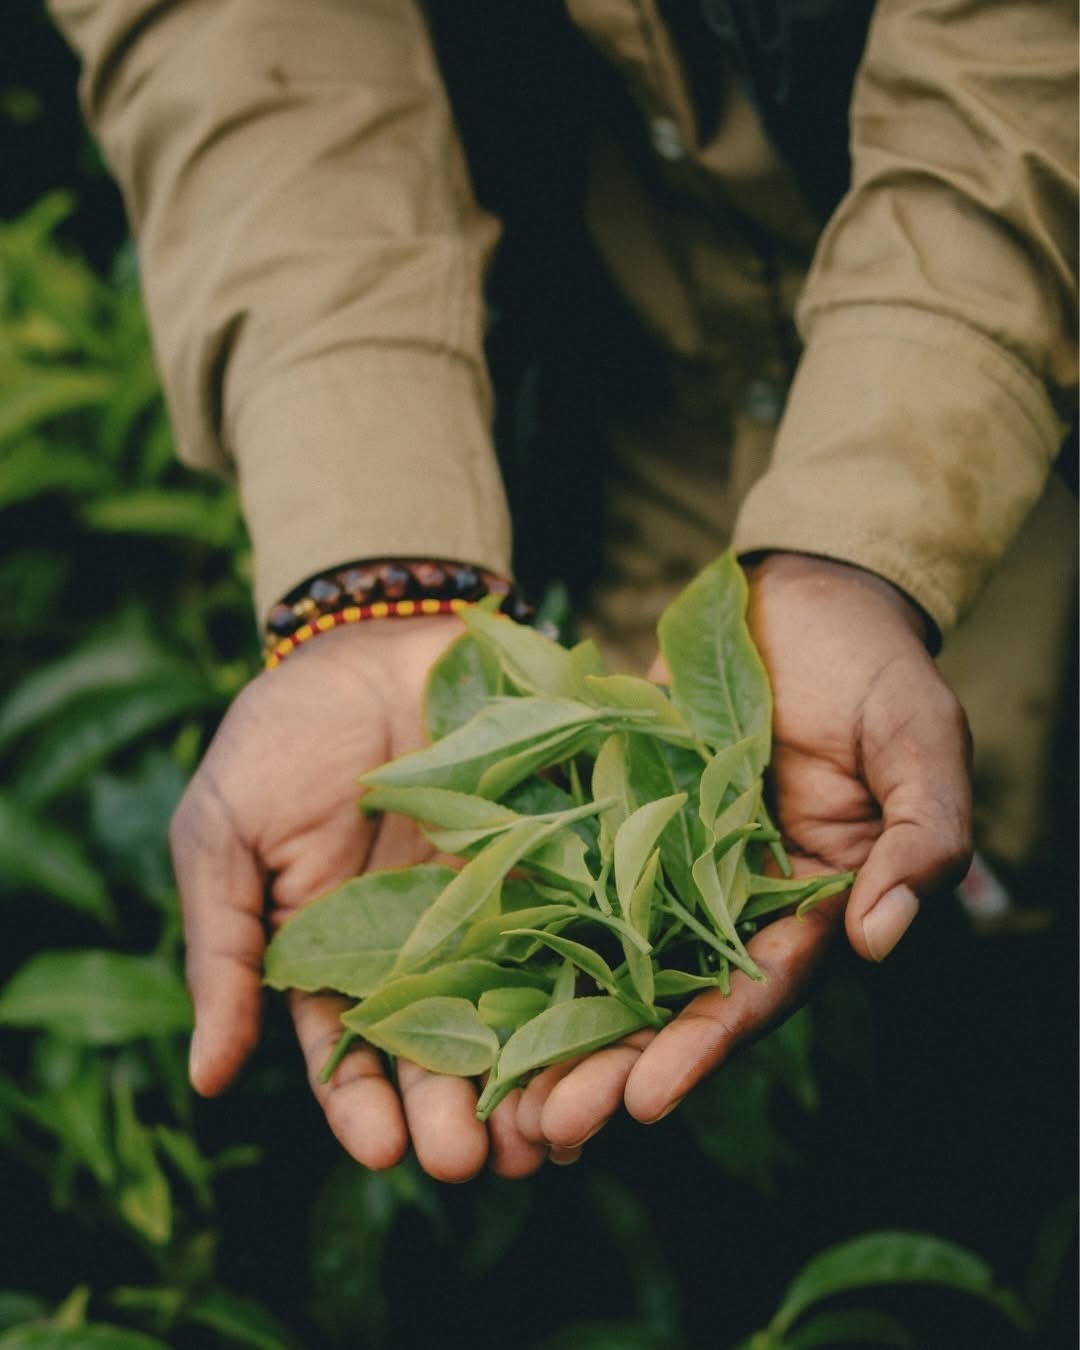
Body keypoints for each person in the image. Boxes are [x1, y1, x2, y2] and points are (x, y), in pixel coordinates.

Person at [49, 0, 1077, 1181]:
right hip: (616, 384)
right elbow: (243, 34)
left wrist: (868, 529)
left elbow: (1030, 60)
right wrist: (372, 550)